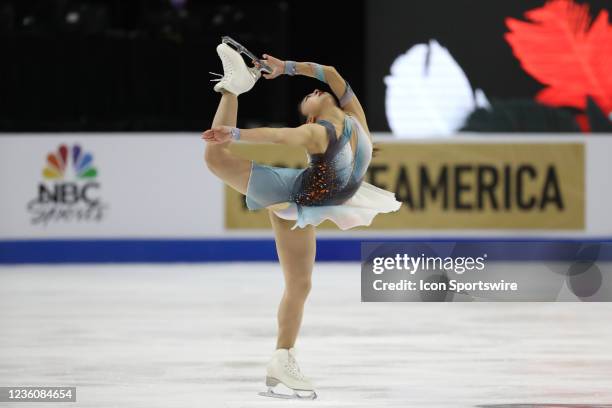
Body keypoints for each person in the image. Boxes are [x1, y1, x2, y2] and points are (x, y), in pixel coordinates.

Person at [202, 40, 401, 399]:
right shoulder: (319, 132)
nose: (310, 94)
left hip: (312, 204)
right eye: (305, 101)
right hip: (291, 194)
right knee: (217, 158)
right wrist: (236, 134)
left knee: (300, 286)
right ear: (312, 115)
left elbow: (332, 74)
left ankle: (282, 358)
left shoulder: (354, 119)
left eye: (311, 94)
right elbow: (281, 136)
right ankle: (232, 87)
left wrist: (286, 67)